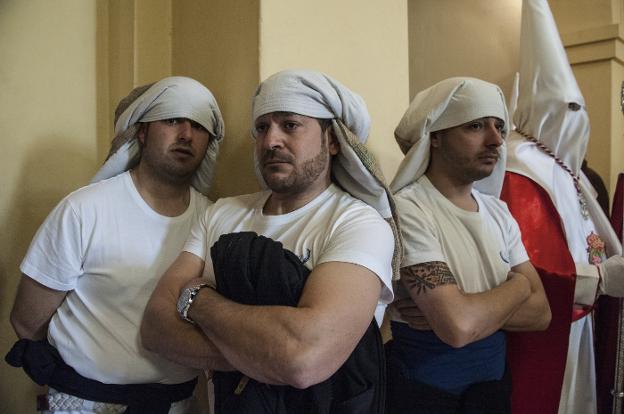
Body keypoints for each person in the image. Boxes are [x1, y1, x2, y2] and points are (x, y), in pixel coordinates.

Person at [141, 69, 398, 412]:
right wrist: (264, 354)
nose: (270, 140)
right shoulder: (222, 214)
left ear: (332, 140)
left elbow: (303, 359)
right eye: (262, 127)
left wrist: (197, 299)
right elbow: (156, 328)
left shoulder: (357, 223)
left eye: (290, 125)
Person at [6, 76, 225, 414]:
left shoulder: (213, 220)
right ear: (141, 132)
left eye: (198, 126)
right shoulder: (84, 210)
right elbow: (27, 320)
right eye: (172, 120)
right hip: (82, 403)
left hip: (176, 406)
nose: (185, 134)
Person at [386, 77, 551, 413]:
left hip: (492, 392)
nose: (495, 140)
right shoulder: (408, 208)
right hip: (424, 396)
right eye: (476, 126)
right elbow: (459, 328)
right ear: (436, 138)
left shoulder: (498, 211)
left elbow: (542, 314)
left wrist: (465, 311)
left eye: (498, 127)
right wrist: (520, 285)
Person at [501, 1, 624, 413]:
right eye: (568, 108)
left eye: (580, 107)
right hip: (548, 332)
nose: (579, 118)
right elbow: (527, 266)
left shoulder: (560, 165)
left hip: (577, 324)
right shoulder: (521, 164)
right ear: (540, 107)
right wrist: (600, 280)